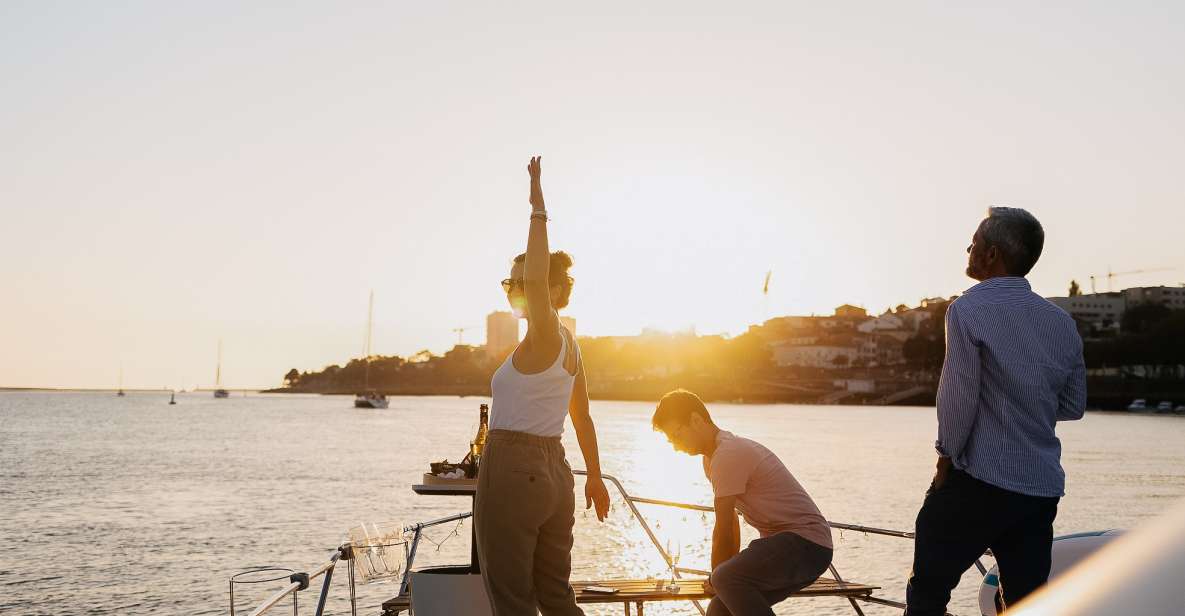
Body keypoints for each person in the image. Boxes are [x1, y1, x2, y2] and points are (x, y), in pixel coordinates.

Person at [905, 207, 1087, 615]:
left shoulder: (968, 310)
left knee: (928, 592)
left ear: (990, 255)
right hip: (1039, 488)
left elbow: (958, 397)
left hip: (978, 481)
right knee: (1025, 603)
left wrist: (945, 458)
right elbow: (1073, 405)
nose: (968, 250)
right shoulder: (1062, 323)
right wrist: (1026, 400)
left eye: (974, 244)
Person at [474, 156, 612, 616]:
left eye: (520, 281)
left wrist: (537, 204)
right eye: (509, 281)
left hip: (515, 469)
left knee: (512, 597)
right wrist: (593, 476)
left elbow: (536, 274)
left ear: (548, 291)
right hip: (556, 473)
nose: (514, 287)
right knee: (555, 596)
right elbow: (583, 418)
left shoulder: (546, 332)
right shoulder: (570, 346)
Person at [652, 389, 833, 616]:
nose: (676, 446)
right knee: (720, 608)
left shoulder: (728, 454)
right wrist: (720, 577)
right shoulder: (712, 459)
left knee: (725, 578)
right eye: (671, 441)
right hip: (800, 547)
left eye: (677, 435)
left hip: (805, 545)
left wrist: (716, 577)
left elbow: (724, 526)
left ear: (696, 420)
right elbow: (732, 524)